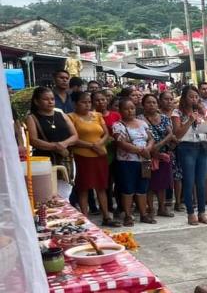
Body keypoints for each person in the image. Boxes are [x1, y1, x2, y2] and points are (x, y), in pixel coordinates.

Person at [68, 91, 118, 226]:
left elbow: (106, 133)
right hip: (82, 156)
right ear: (75, 103)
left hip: (100, 154)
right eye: (83, 102)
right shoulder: (70, 117)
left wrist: (99, 144)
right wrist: (91, 145)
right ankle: (84, 218)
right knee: (83, 188)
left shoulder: (97, 115)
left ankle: (106, 216)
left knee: (101, 186)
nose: (87, 105)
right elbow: (73, 138)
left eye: (89, 102)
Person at [172, 85, 207, 225]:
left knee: (201, 182)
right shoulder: (177, 113)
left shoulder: (201, 112)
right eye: (191, 96)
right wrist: (190, 120)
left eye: (196, 97)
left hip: (201, 146)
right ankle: (191, 213)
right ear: (184, 98)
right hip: (186, 147)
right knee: (189, 181)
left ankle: (202, 212)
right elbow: (177, 134)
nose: (194, 99)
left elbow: (206, 129)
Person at [112, 97, 155, 226]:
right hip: (127, 162)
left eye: (132, 108)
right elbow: (121, 143)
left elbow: (151, 138)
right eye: (126, 109)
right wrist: (140, 151)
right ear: (120, 110)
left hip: (144, 161)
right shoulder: (118, 125)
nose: (130, 111)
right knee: (128, 189)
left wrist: (147, 149)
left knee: (142, 188)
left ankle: (143, 214)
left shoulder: (142, 123)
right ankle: (128, 215)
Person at [26, 87, 78, 175]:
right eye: (45, 99)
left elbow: (75, 136)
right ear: (36, 101)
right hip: (44, 160)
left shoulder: (61, 115)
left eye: (52, 99)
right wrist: (54, 146)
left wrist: (64, 144)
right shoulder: (32, 118)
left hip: (65, 158)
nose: (50, 102)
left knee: (66, 185)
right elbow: (33, 140)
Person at [139, 94, 176, 218]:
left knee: (162, 183)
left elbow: (170, 134)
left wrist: (159, 145)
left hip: (163, 155)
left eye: (154, 102)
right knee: (148, 184)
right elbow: (143, 137)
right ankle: (150, 209)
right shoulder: (140, 119)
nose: (152, 105)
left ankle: (162, 207)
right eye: (148, 102)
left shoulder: (164, 118)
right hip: (147, 155)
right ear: (143, 105)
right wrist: (153, 148)